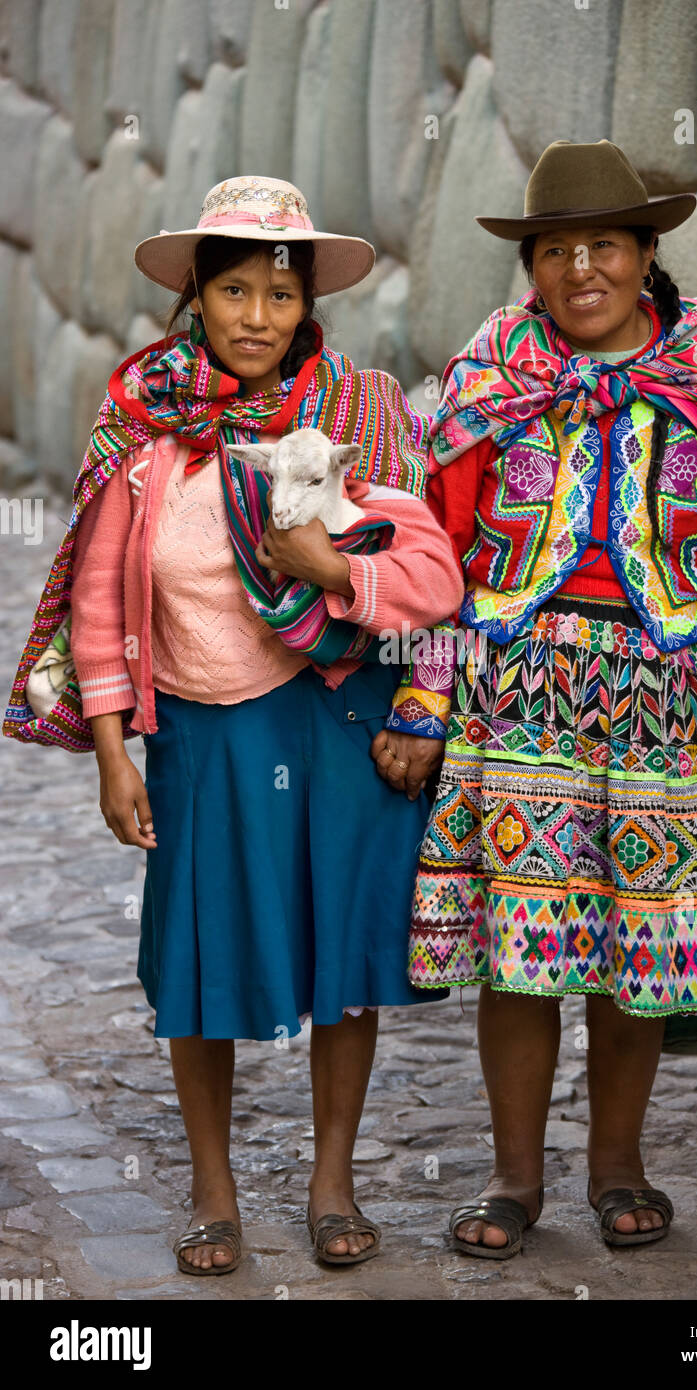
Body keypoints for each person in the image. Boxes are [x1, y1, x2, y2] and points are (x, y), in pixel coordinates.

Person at [5, 176, 463, 1272]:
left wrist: (331, 580)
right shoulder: (146, 432)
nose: (257, 314)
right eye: (234, 289)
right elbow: (105, 603)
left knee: (343, 953)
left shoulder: (357, 417)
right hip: (203, 735)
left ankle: (331, 1182)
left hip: (336, 715)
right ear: (195, 299)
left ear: (307, 304)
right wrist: (113, 752)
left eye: (279, 291)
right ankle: (213, 1194)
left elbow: (434, 574)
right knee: (199, 954)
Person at [375, 140, 697, 1256]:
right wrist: (423, 700)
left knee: (635, 944)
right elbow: (435, 545)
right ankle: (513, 1179)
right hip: (518, 690)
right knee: (519, 947)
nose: (577, 270)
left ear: (646, 253)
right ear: (532, 267)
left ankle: (618, 1166)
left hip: (664, 689)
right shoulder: (491, 372)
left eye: (600, 245)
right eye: (553, 251)